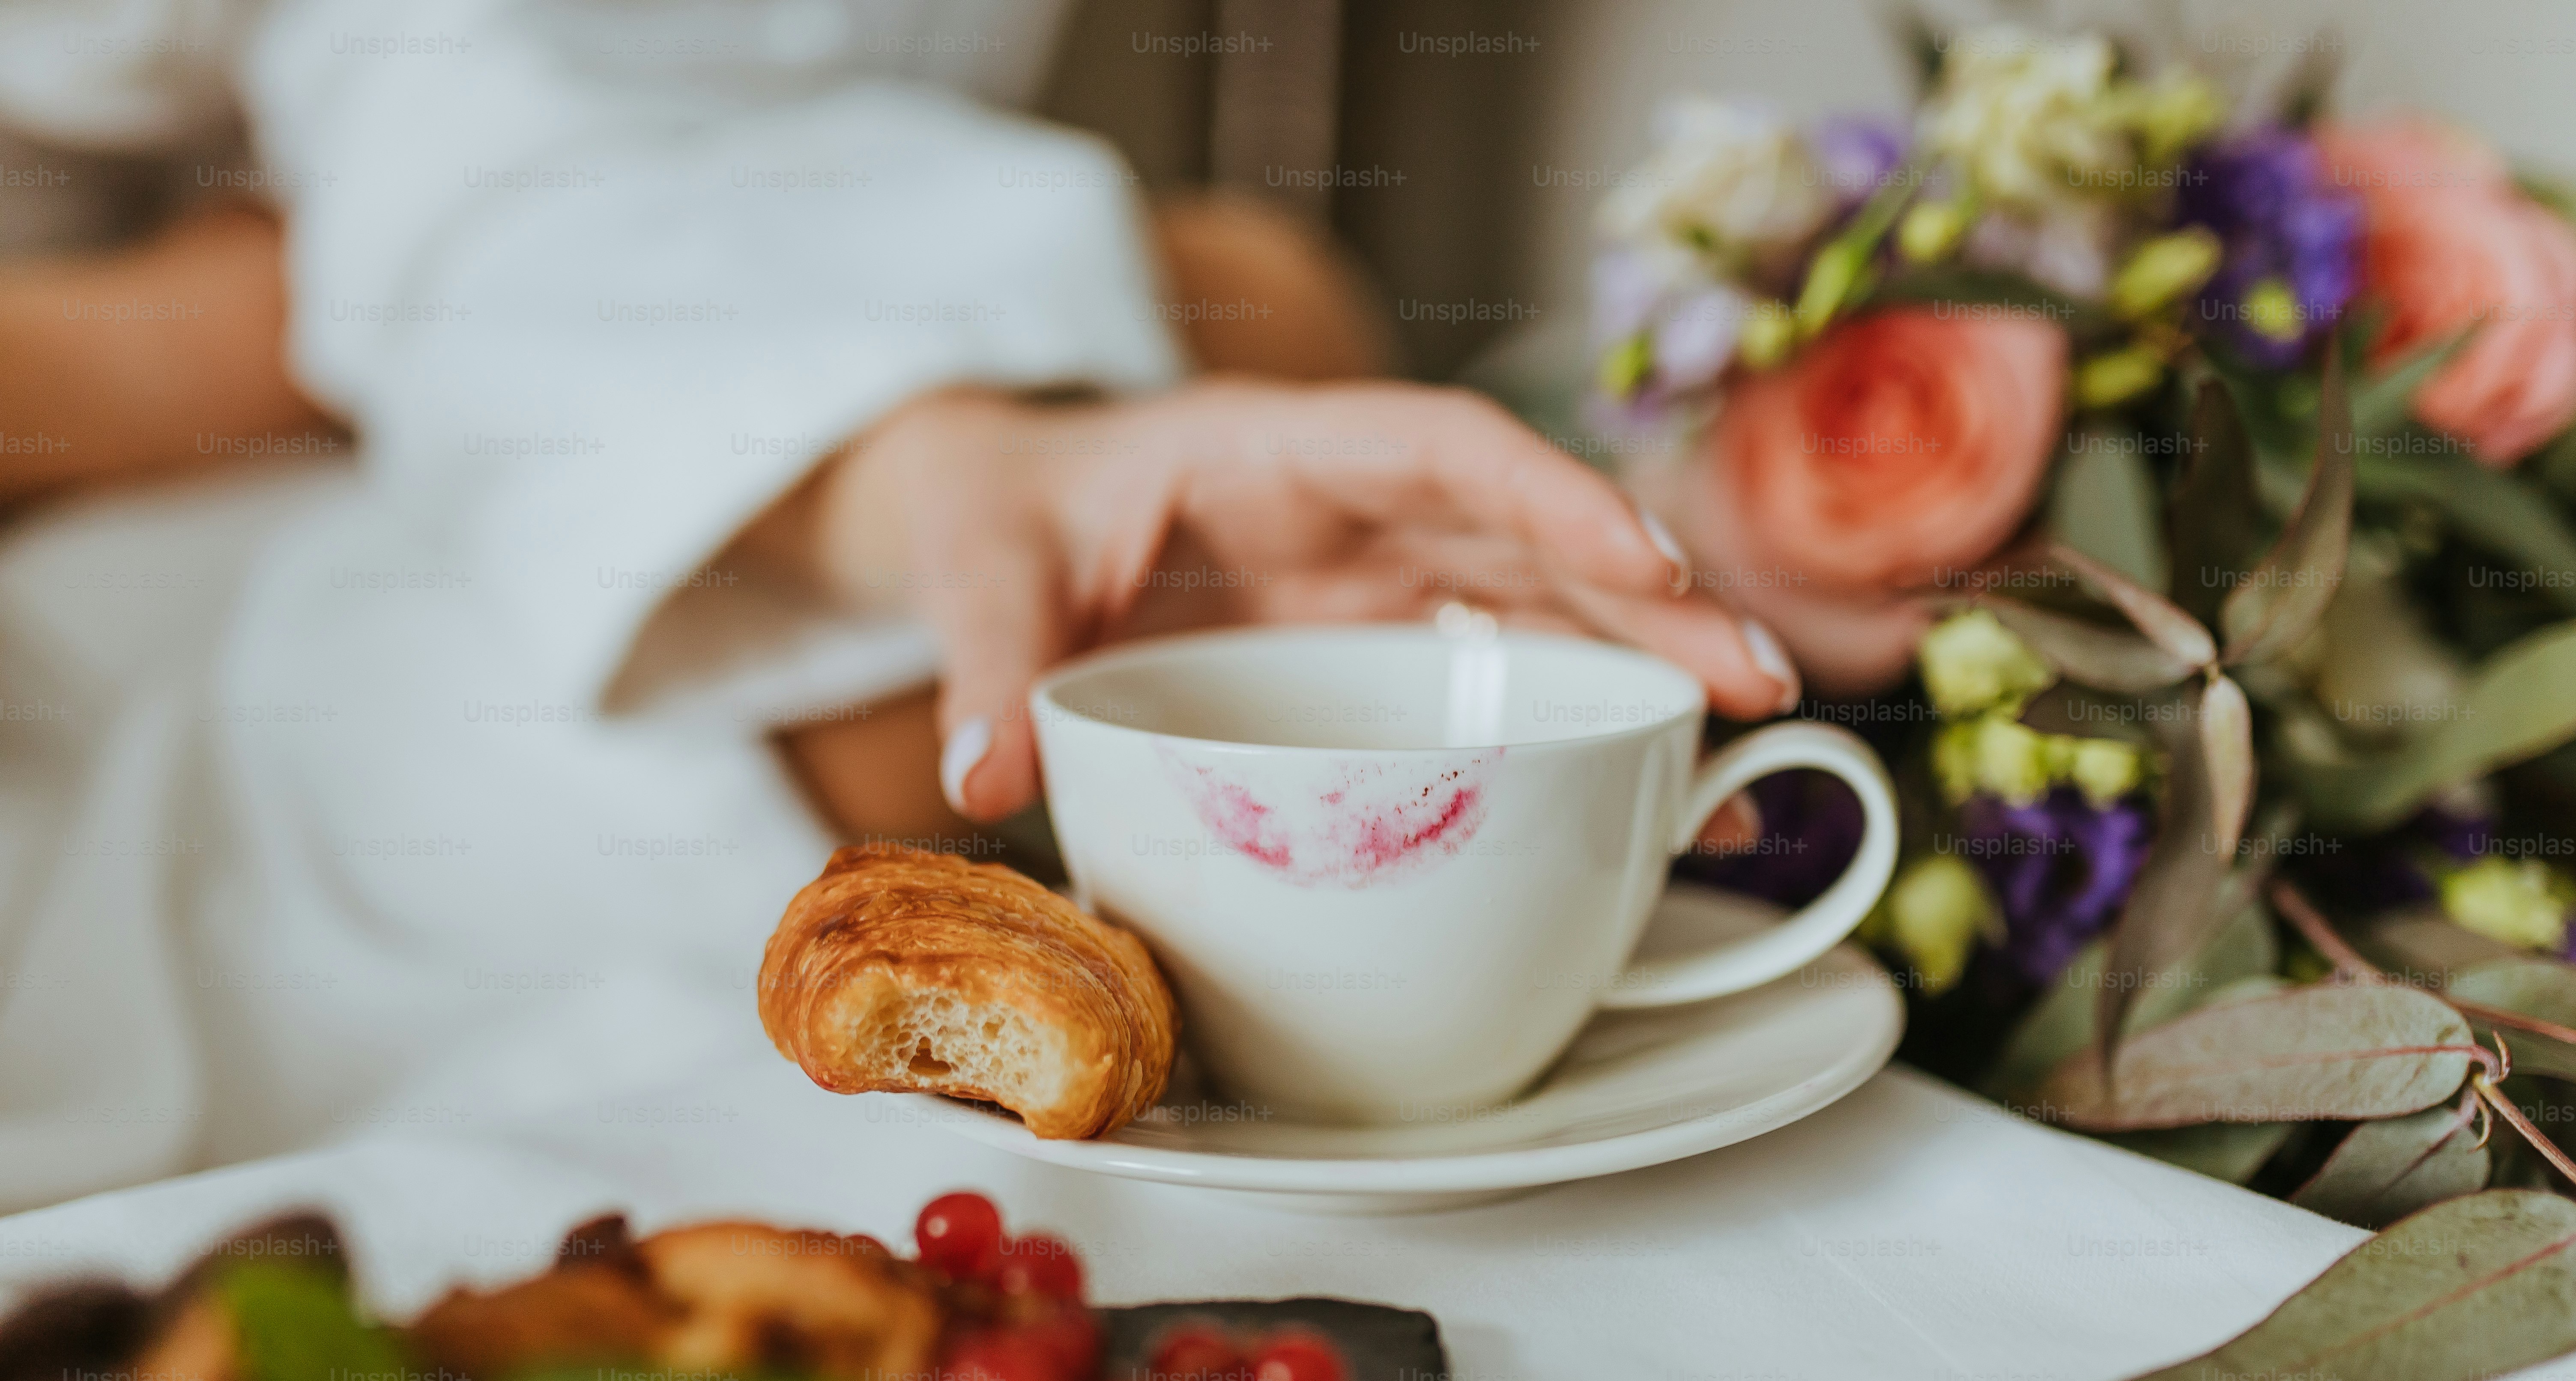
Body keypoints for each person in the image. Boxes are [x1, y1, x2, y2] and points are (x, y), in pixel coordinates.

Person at [0, 0, 1790, 1205]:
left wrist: (936, 468)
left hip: (660, 355)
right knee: (1241, 305)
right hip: (289, 552)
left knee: (1262, 306)